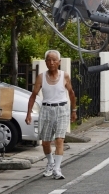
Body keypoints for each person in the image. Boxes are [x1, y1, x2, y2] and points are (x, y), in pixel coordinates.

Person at [25, 50, 76, 180]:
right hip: (46, 110)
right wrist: (28, 113)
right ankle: (51, 162)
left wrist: (74, 110)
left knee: (59, 139)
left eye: (54, 60)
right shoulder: (41, 77)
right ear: (46, 62)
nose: (51, 62)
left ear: (59, 62)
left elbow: (71, 93)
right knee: (45, 143)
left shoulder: (65, 76)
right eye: (48, 60)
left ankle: (57, 169)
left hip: (62, 109)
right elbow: (33, 96)